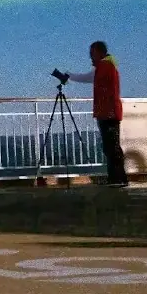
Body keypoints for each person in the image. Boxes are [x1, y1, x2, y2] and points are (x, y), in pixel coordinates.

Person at [62, 41, 128, 187]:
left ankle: (118, 179)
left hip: (108, 112)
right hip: (108, 112)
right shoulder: (107, 66)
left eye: (92, 54)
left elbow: (89, 77)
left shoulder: (105, 66)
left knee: (112, 146)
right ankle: (116, 178)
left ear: (99, 52)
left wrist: (70, 75)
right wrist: (71, 76)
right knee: (111, 146)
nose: (90, 58)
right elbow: (91, 77)